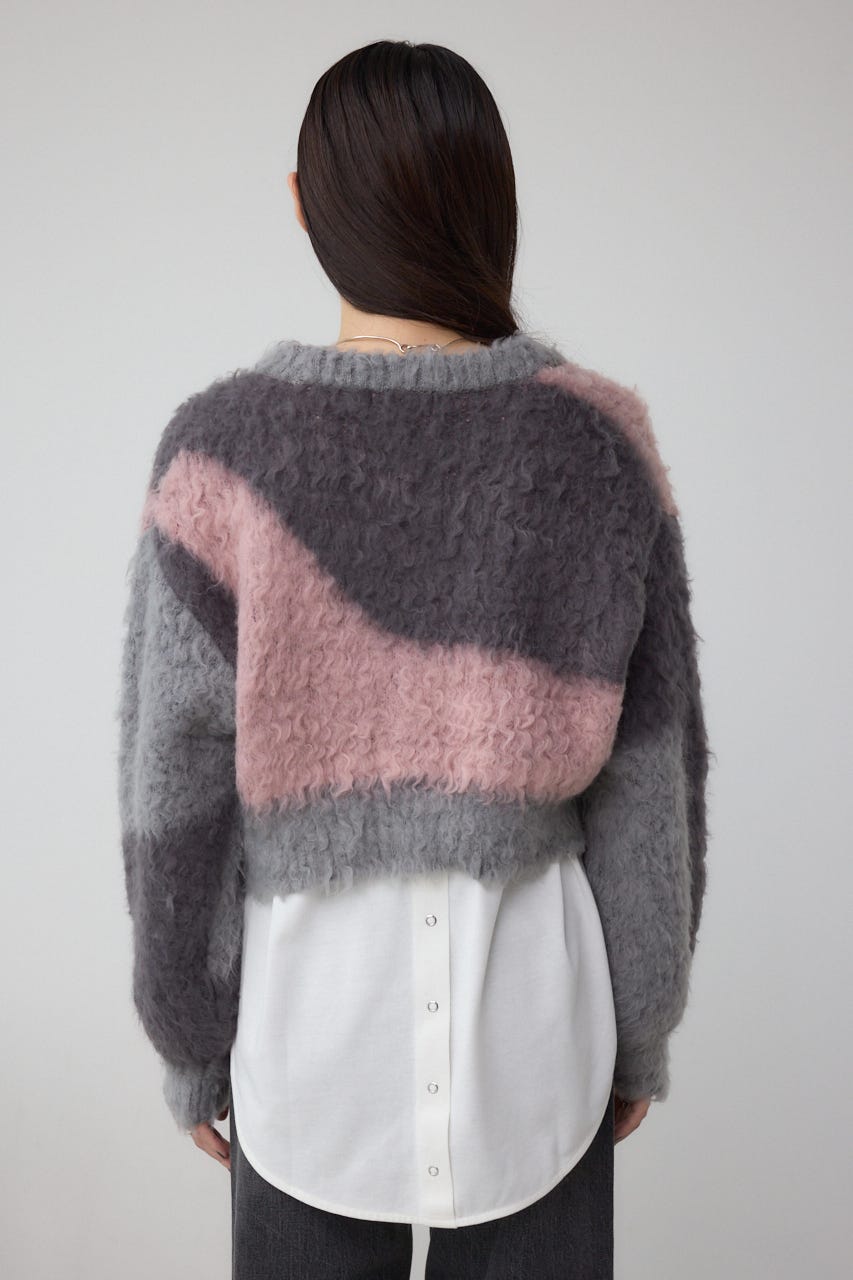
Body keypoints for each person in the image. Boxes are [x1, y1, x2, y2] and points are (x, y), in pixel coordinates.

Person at [117, 38, 710, 1280]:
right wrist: (642, 1023)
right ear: (493, 203)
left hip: (307, 1066)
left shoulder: (219, 458)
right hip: (540, 1062)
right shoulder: (597, 445)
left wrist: (189, 1037)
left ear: (302, 202)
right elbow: (650, 779)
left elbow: (173, 789)